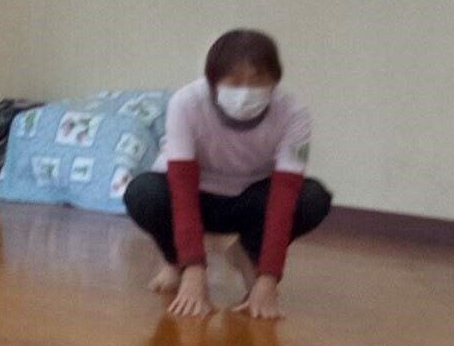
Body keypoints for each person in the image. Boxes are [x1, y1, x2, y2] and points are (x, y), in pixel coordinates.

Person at [122, 29, 333, 321]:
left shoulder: (293, 113)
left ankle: (247, 252)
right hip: (196, 195)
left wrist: (269, 279)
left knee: (312, 198)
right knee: (143, 192)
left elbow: (285, 194)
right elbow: (182, 187)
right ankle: (175, 261)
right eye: (234, 81)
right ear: (213, 81)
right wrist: (194, 270)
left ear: (275, 81)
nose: (246, 92)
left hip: (250, 199)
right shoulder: (187, 103)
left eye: (258, 80)